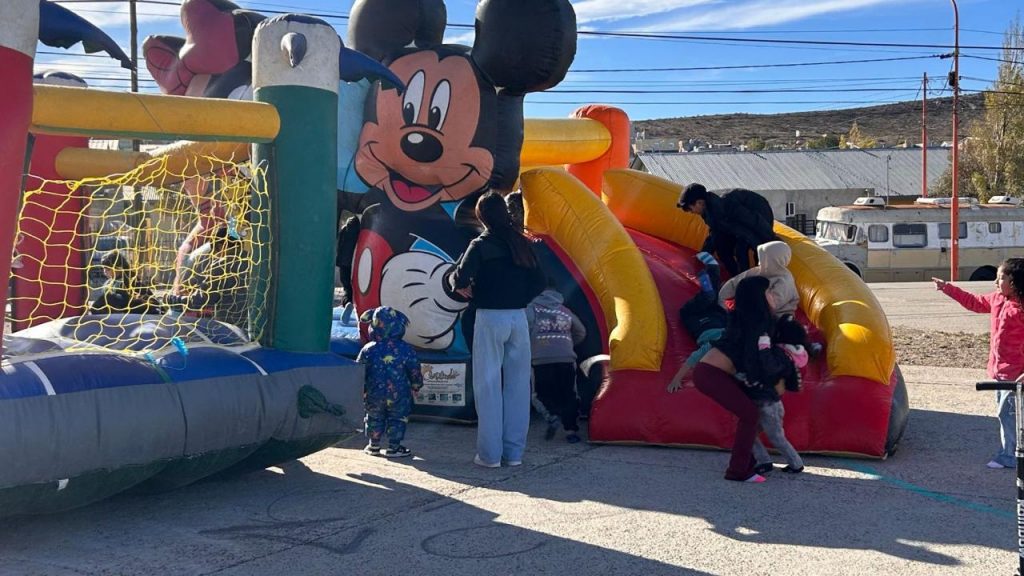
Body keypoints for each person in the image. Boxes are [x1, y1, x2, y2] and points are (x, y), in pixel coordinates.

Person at [448, 191, 545, 468]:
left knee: (488, 386)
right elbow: (540, 282)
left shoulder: (480, 244)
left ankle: (489, 455)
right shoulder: (522, 243)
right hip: (518, 317)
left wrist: (465, 285)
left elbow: (461, 277)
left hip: (490, 317)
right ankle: (514, 454)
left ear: (482, 216)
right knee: (518, 386)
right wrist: (519, 299)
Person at [934, 258, 1024, 469]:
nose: (996, 282)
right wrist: (948, 288)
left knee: (1008, 414)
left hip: (1016, 374)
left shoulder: (1021, 308)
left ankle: (1009, 455)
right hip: (1000, 371)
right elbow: (973, 302)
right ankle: (1011, 452)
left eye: (1001, 277)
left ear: (1015, 281)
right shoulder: (997, 299)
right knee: (1007, 413)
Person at [690, 276, 779, 483]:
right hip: (710, 374)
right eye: (769, 292)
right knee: (749, 414)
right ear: (759, 298)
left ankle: (747, 463)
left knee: (752, 412)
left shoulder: (752, 320)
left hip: (716, 372)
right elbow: (751, 357)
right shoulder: (754, 324)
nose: (774, 296)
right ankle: (738, 471)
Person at [356, 306, 423, 458]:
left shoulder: (368, 349)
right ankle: (394, 447)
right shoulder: (406, 349)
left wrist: (361, 388)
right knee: (398, 418)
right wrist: (416, 384)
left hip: (373, 393)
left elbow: (359, 371)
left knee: (374, 416)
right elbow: (414, 369)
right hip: (399, 393)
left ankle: (373, 444)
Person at [747, 314, 808, 475]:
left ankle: (795, 463)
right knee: (748, 432)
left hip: (769, 404)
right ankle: (764, 460)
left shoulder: (780, 355)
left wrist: (764, 347)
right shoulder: (788, 354)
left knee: (776, 437)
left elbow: (770, 368)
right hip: (769, 402)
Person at [526, 282, 586, 443]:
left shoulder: (531, 309)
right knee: (569, 395)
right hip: (566, 358)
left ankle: (551, 415)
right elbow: (581, 332)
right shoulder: (565, 311)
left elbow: (522, 330)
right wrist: (567, 344)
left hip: (540, 359)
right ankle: (571, 431)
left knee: (539, 394)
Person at [677, 183, 778, 277]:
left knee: (741, 249)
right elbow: (714, 233)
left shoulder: (728, 206)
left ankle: (746, 281)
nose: (691, 212)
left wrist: (770, 238)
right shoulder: (708, 212)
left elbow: (754, 221)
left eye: (690, 209)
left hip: (759, 214)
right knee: (720, 244)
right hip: (740, 227)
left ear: (699, 203)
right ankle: (736, 277)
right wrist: (703, 254)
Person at [165, 226, 249, 328]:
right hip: (254, 325)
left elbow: (201, 300)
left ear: (220, 246)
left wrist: (174, 299)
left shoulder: (221, 265)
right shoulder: (252, 261)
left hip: (232, 328)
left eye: (214, 251)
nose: (215, 255)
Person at [718, 240, 799, 319]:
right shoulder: (760, 271)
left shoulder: (785, 281)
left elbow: (771, 305)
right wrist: (722, 301)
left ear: (775, 261)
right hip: (754, 313)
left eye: (764, 259)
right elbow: (735, 282)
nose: (760, 262)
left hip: (779, 317)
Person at [89, 249, 162, 316]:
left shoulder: (130, 280)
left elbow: (137, 300)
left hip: (136, 313)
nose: (104, 272)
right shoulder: (109, 283)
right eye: (103, 269)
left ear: (118, 268)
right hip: (121, 312)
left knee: (108, 297)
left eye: (108, 269)